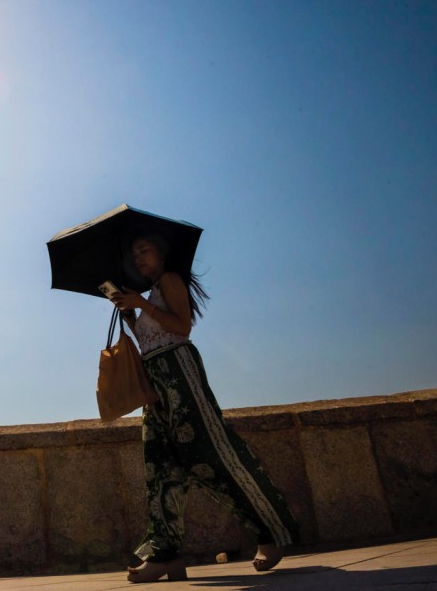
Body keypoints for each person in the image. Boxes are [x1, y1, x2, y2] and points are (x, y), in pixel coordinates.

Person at [110, 234, 299, 583]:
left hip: (180, 374)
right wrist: (132, 314)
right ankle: (166, 555)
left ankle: (271, 531)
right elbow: (150, 338)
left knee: (212, 453)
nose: (137, 258)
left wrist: (144, 305)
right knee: (160, 464)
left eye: (144, 250)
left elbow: (182, 327)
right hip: (155, 383)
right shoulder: (151, 291)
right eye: (134, 253)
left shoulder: (169, 280)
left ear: (161, 252)